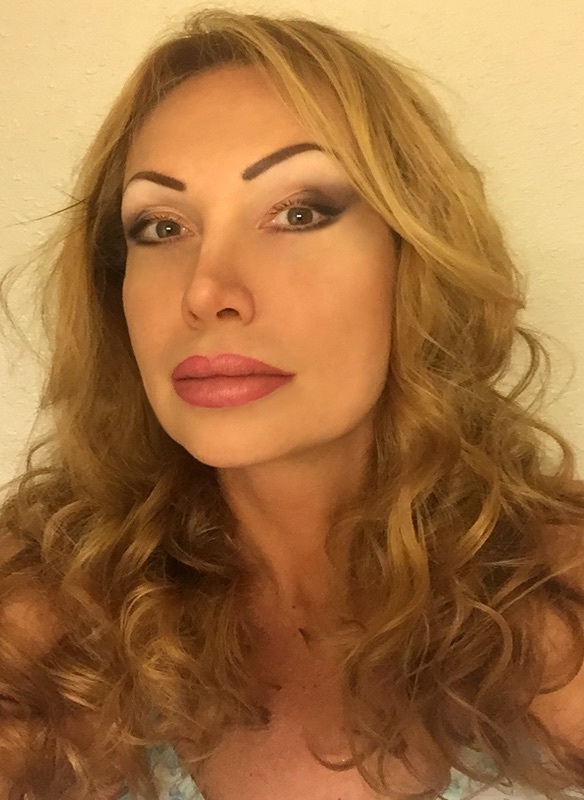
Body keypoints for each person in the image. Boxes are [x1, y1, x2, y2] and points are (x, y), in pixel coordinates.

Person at [1, 7, 584, 800]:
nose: (207, 291)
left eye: (298, 213)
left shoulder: (558, 596)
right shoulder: (39, 627)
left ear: (414, 258)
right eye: (161, 226)